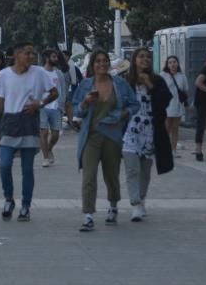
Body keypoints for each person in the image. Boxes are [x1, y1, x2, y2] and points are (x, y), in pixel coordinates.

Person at [73, 50, 139, 232]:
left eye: (104, 61)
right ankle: (88, 215)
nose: (101, 64)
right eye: (98, 61)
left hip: (112, 136)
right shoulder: (86, 85)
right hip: (91, 136)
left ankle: (113, 206)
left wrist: (123, 114)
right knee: (89, 176)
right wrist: (85, 102)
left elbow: (134, 104)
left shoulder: (120, 84)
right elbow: (76, 111)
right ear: (92, 65)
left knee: (111, 175)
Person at [0, 43, 58, 222]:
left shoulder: (39, 73)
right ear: (16, 54)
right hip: (9, 122)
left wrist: (41, 103)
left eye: (33, 53)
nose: (31, 57)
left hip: (29, 122)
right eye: (27, 53)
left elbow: (54, 93)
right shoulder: (3, 75)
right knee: (5, 164)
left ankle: (26, 206)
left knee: (27, 169)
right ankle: (8, 199)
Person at [122, 47, 174, 222]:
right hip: (130, 131)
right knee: (132, 170)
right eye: (141, 56)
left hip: (150, 131)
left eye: (148, 57)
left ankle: (142, 199)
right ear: (134, 60)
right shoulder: (126, 81)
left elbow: (164, 102)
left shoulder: (157, 80)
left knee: (145, 171)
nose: (145, 59)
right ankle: (135, 204)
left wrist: (150, 85)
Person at [40, 49, 70, 167]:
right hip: (42, 106)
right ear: (47, 58)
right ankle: (45, 157)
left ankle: (49, 148)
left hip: (56, 107)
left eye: (56, 57)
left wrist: (61, 106)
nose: (56, 59)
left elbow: (62, 90)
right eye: (53, 57)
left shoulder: (59, 74)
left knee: (56, 133)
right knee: (44, 132)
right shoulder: (40, 72)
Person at [160, 56, 189, 158]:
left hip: (178, 105)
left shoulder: (182, 76)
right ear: (167, 65)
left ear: (177, 64)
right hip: (167, 106)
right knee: (166, 128)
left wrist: (185, 102)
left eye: (174, 62)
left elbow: (185, 91)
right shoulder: (163, 75)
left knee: (175, 129)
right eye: (170, 62)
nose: (172, 64)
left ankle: (174, 150)